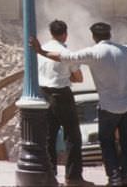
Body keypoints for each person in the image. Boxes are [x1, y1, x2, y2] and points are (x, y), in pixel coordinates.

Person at [32, 22, 127, 187]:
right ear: (110, 34)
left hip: (108, 107)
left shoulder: (93, 53)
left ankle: (114, 178)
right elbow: (75, 72)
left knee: (106, 142)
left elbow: (66, 58)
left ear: (93, 37)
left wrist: (40, 51)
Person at [38, 20, 89, 186]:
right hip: (62, 95)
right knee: (73, 136)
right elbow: (79, 78)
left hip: (44, 94)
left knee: (49, 136)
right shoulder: (65, 52)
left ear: (51, 33)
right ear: (65, 34)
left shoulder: (41, 50)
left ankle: (50, 175)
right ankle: (73, 177)